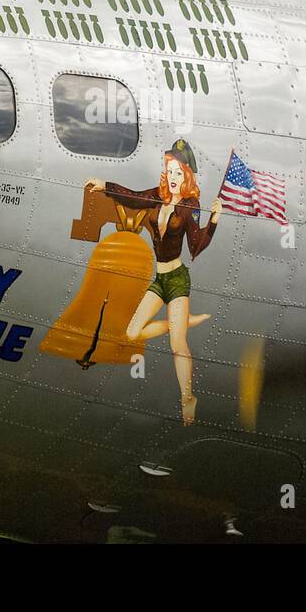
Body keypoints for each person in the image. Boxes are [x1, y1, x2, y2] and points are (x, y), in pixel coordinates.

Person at [84, 138, 221, 425]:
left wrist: (214, 221)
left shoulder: (190, 205)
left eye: (178, 173)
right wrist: (105, 186)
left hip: (177, 279)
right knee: (132, 333)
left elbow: (195, 245)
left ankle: (187, 398)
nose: (173, 178)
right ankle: (182, 321)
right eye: (170, 171)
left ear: (187, 176)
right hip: (160, 278)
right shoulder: (156, 196)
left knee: (177, 343)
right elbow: (132, 197)